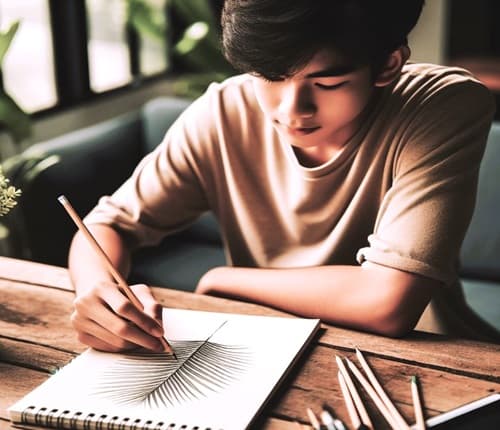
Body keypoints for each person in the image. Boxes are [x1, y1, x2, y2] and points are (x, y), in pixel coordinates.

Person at [67, 0, 497, 353]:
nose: (292, 109)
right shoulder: (223, 113)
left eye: (327, 83)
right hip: (263, 348)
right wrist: (98, 293)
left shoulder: (441, 106)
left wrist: (226, 280)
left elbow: (388, 302)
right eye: (270, 77)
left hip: (426, 356)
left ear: (388, 65)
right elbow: (106, 225)